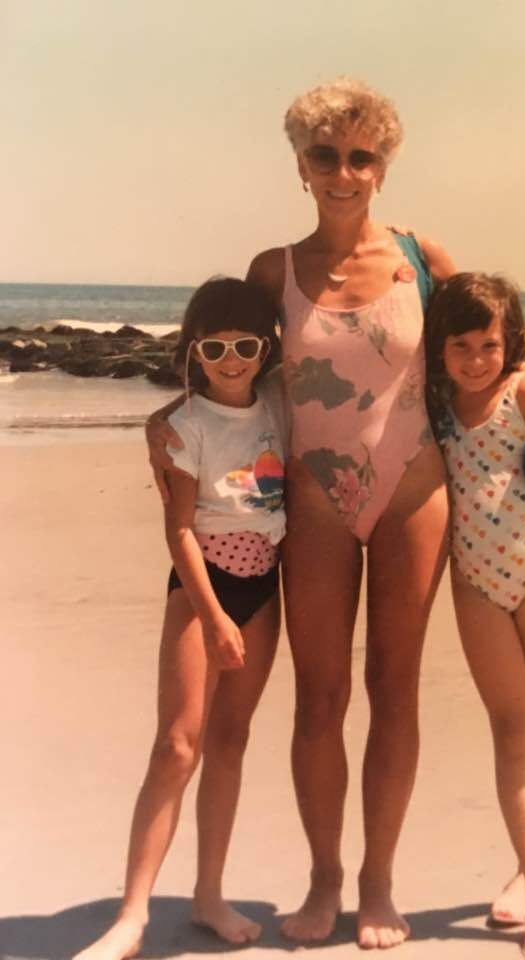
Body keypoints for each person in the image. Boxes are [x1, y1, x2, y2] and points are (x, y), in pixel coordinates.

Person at [147, 78, 525, 949]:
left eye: (362, 156)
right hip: (310, 502)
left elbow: (489, 345)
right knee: (320, 697)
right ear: (301, 166)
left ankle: (378, 884)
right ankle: (324, 880)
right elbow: (225, 364)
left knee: (394, 690)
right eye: (325, 155)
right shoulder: (274, 269)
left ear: (382, 167)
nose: (343, 172)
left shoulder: (421, 255)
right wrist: (171, 424)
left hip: (412, 496)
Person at [74, 278, 286, 960]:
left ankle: (209, 895)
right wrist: (214, 615)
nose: (232, 359)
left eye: (246, 345)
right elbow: (180, 532)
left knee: (230, 742)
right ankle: (130, 916)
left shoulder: (279, 405)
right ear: (195, 350)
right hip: (204, 589)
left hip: (265, 586)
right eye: (216, 347)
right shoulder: (183, 428)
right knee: (176, 745)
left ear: (266, 348)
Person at [425, 272, 525, 959]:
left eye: (488, 344)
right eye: (459, 345)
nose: (474, 358)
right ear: (439, 350)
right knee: (511, 724)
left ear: (509, 342)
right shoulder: (435, 401)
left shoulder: (522, 390)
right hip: (475, 583)